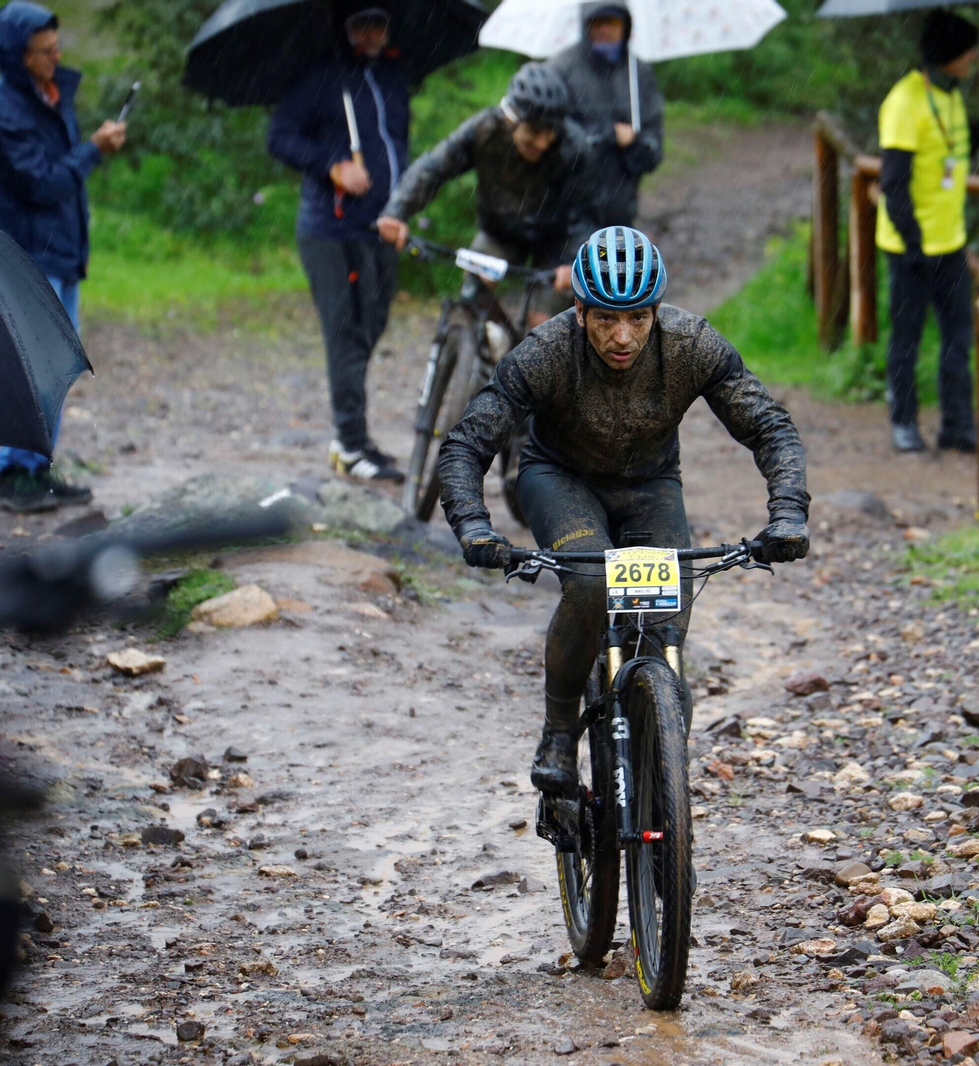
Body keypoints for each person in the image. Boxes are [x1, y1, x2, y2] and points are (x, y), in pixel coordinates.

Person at [437, 227, 810, 793]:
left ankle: (660, 778)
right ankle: (559, 732)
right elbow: (467, 443)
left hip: (650, 484)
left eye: (638, 318)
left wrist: (787, 513)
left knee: (663, 628)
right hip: (559, 479)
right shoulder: (546, 352)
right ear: (580, 309)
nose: (623, 336)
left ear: (656, 311)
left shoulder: (690, 345)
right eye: (606, 318)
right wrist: (473, 524)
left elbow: (770, 428)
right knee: (590, 579)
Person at [0, 0, 125, 513]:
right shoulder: (1, 111)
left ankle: (36, 467)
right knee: (33, 369)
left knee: (56, 367)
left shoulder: (50, 93)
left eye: (57, 48)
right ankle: (11, 472)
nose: (54, 59)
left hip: (61, 249)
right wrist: (94, 150)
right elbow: (41, 183)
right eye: (43, 52)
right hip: (29, 254)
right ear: (17, 55)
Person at [268, 4, 410, 484]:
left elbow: (398, 146)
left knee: (371, 326)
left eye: (379, 22)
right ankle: (350, 443)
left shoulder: (392, 76)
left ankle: (351, 436)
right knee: (346, 335)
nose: (372, 32)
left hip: (383, 227)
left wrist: (404, 205)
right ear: (345, 28)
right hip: (330, 231)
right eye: (362, 23)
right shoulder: (322, 78)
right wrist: (333, 164)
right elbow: (280, 137)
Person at [375, 63, 596, 333]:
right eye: (534, 132)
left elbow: (586, 214)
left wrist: (573, 262)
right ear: (511, 119)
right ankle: (481, 356)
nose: (542, 142)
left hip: (556, 243)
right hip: (500, 232)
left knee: (543, 323)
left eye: (550, 131)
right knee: (472, 299)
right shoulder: (484, 131)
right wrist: (396, 212)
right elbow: (433, 168)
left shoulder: (575, 148)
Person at [876, 9, 979, 455]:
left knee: (958, 338)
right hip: (910, 246)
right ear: (949, 54)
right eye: (968, 50)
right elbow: (893, 182)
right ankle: (904, 422)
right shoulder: (903, 102)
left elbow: (950, 147)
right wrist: (913, 242)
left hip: (951, 243)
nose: (973, 57)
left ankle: (957, 425)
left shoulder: (950, 94)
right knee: (907, 337)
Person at [545, 3, 663, 228]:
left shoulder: (639, 75)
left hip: (620, 212)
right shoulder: (561, 69)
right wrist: (607, 134)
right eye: (596, 22)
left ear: (626, 26)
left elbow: (653, 151)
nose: (604, 29)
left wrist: (635, 143)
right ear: (584, 25)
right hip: (566, 212)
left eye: (612, 22)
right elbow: (551, 137)